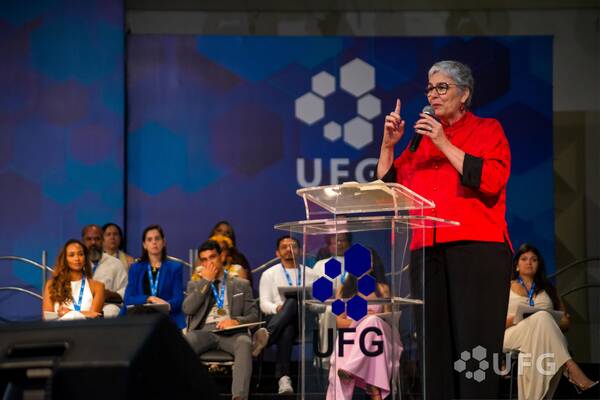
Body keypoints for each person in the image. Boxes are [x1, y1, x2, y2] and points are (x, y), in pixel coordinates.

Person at [376, 60, 513, 398]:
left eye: (442, 87)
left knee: (474, 347)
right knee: (434, 349)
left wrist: (444, 143)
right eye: (430, 89)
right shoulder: (419, 140)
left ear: (464, 94)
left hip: (476, 251)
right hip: (427, 252)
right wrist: (388, 145)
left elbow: (492, 180)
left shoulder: (487, 129)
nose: (433, 95)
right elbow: (389, 186)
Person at [504, 243, 598, 398]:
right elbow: (494, 323)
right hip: (511, 334)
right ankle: (570, 367)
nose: (529, 262)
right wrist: (518, 318)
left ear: (538, 264)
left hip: (542, 336)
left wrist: (548, 318)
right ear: (517, 265)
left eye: (534, 259)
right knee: (541, 318)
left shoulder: (549, 289)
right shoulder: (505, 288)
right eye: (524, 259)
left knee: (542, 324)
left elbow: (566, 321)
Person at [183, 240, 258, 400]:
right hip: (203, 332)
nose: (209, 263)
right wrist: (206, 282)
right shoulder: (195, 284)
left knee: (244, 342)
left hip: (231, 332)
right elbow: (188, 309)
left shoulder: (241, 284)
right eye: (204, 260)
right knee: (183, 343)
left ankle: (239, 397)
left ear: (221, 257)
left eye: (212, 257)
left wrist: (236, 321)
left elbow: (253, 315)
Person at [253, 235, 318, 394]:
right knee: (287, 326)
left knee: (293, 301)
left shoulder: (311, 274)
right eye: (284, 247)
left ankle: (268, 336)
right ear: (277, 253)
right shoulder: (269, 274)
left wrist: (309, 305)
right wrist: (277, 308)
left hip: (304, 320)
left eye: (293, 246)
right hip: (280, 319)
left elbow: (320, 304)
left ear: (300, 250)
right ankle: (284, 379)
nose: (289, 250)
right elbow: (264, 304)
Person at [326, 270, 402, 400]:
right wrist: (362, 318)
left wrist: (372, 317)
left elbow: (389, 319)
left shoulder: (382, 288)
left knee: (373, 322)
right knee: (366, 327)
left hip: (379, 331)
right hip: (354, 333)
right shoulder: (343, 289)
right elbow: (339, 322)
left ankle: (351, 369)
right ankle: (375, 390)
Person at [124, 224, 185, 328]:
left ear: (163, 242)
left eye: (157, 238)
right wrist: (149, 298)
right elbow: (128, 299)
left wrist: (164, 305)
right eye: (149, 239)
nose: (154, 242)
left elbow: (178, 299)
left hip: (166, 317)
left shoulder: (175, 268)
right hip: (140, 316)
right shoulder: (135, 268)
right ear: (144, 245)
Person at [43, 239, 105, 320]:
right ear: (65, 259)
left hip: (86, 327)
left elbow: (93, 317)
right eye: (71, 255)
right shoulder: (51, 285)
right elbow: (47, 318)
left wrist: (70, 312)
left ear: (85, 257)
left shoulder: (98, 286)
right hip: (58, 327)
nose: (77, 258)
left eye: (80, 254)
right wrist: (84, 313)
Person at [81, 224, 128, 317]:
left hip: (106, 307)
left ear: (103, 241)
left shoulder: (115, 263)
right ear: (83, 242)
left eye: (97, 239)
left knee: (112, 311)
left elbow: (125, 292)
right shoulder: (77, 263)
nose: (93, 243)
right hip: (81, 306)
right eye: (89, 239)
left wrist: (108, 294)